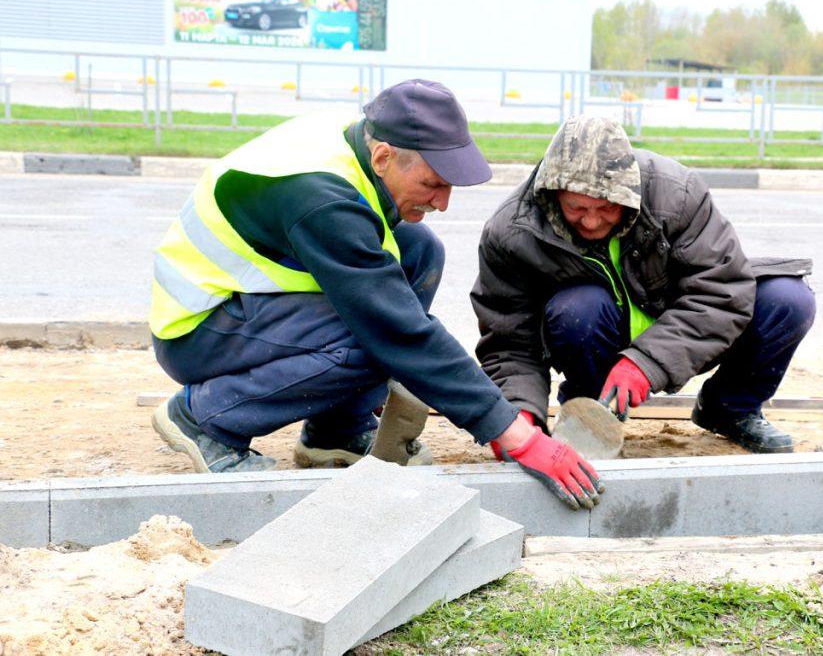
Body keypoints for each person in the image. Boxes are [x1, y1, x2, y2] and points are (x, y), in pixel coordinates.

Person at [147, 79, 601, 510]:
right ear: (383, 157)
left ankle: (335, 431)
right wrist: (512, 432)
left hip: (250, 304)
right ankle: (206, 419)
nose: (442, 202)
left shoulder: (360, 141)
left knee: (419, 251)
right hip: (199, 331)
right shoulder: (320, 196)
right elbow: (399, 331)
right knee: (374, 341)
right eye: (433, 184)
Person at [471, 115, 816, 453]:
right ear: (553, 193)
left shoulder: (677, 194)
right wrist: (521, 416)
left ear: (629, 193)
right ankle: (592, 418)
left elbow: (720, 292)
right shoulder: (512, 231)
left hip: (680, 325)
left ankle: (729, 410)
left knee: (788, 299)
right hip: (595, 334)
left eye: (607, 208)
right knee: (577, 309)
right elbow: (509, 340)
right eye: (575, 207)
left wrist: (645, 363)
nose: (591, 222)